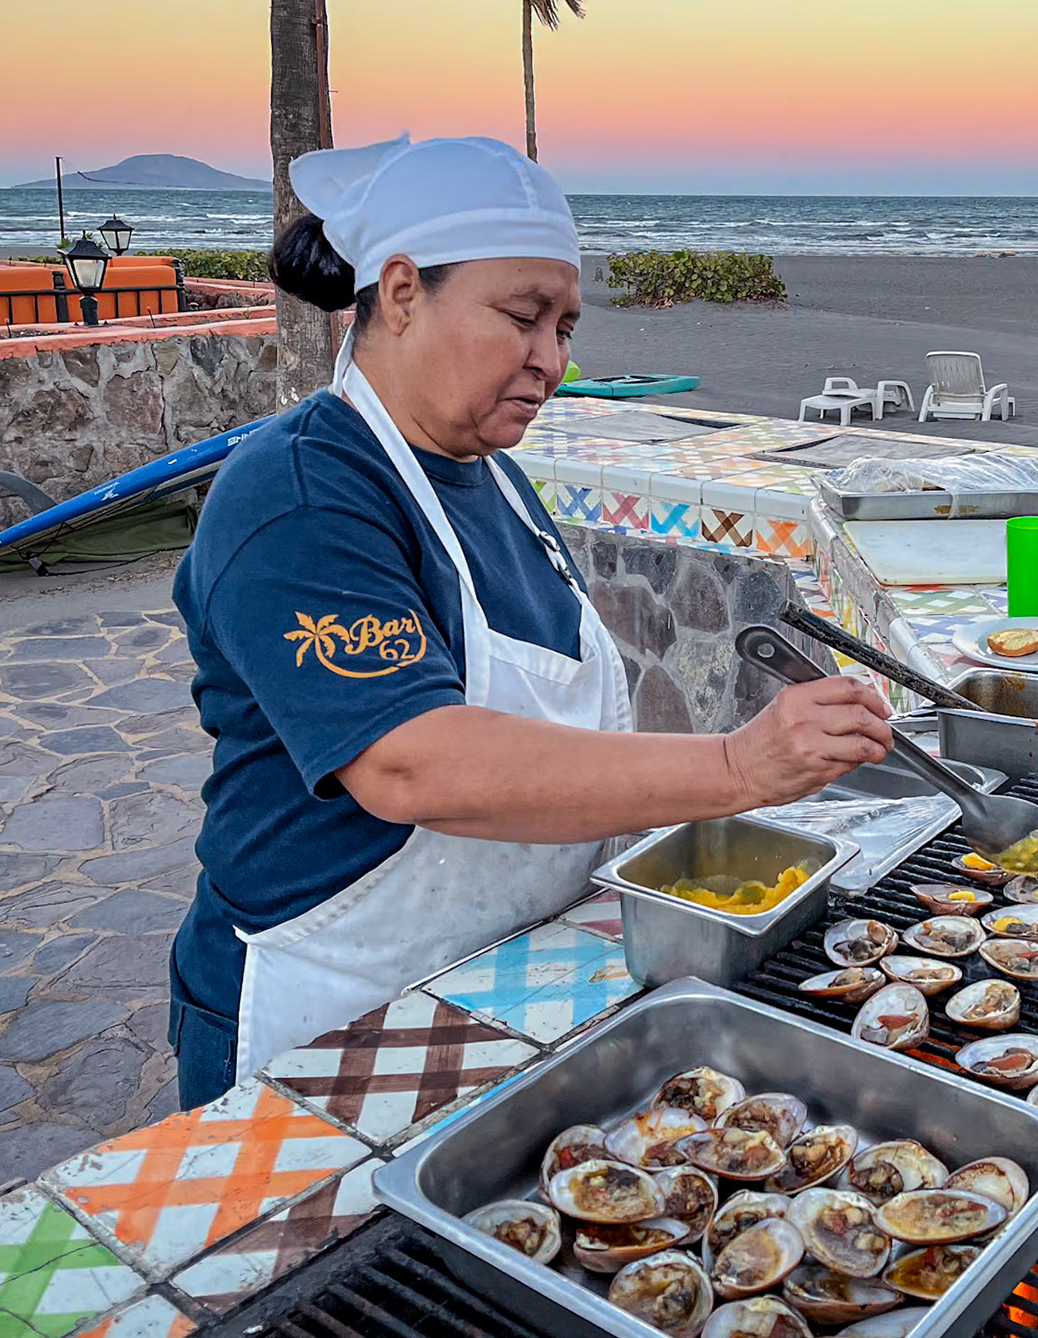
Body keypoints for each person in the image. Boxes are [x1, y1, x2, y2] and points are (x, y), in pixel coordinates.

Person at [167, 136, 893, 1108]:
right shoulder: (301, 496)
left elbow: (558, 733)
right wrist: (735, 767)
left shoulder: (497, 480)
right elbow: (410, 760)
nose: (551, 358)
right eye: (521, 317)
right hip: (330, 1008)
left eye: (564, 327)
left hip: (502, 979)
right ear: (399, 292)